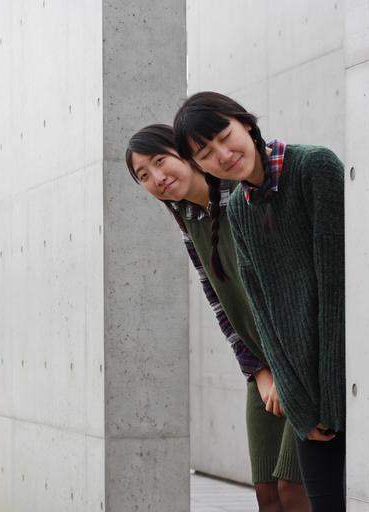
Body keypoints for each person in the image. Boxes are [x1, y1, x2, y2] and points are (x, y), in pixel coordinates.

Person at [173, 92, 346, 511]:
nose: (222, 155)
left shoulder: (314, 167)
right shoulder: (239, 210)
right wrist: (303, 407)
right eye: (205, 154)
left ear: (246, 123)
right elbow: (266, 318)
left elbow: (336, 292)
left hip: (347, 383)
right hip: (309, 400)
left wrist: (327, 400)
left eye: (223, 136)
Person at [126, 124, 309, 512]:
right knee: (268, 495)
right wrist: (259, 371)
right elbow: (221, 305)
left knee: (294, 489)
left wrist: (281, 369)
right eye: (143, 175)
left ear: (185, 153)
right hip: (263, 366)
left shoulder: (241, 194)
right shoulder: (188, 217)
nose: (157, 177)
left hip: (298, 358)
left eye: (160, 161)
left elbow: (287, 287)